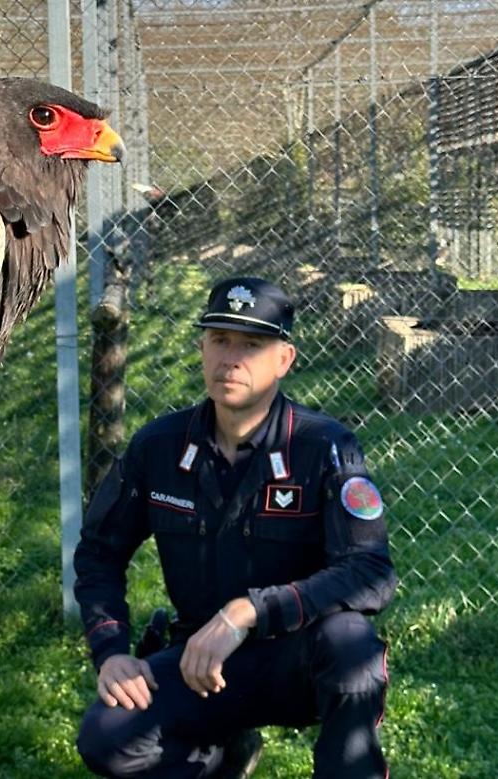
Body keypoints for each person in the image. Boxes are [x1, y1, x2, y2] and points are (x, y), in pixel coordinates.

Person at [74, 277, 398, 778]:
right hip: (199, 660)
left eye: (251, 345)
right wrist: (112, 653)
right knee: (107, 737)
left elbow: (370, 572)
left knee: (352, 645)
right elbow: (100, 553)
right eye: (220, 340)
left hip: (299, 658)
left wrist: (248, 611)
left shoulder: (324, 447)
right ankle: (222, 759)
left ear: (284, 360)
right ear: (202, 349)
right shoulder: (158, 446)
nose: (231, 359)